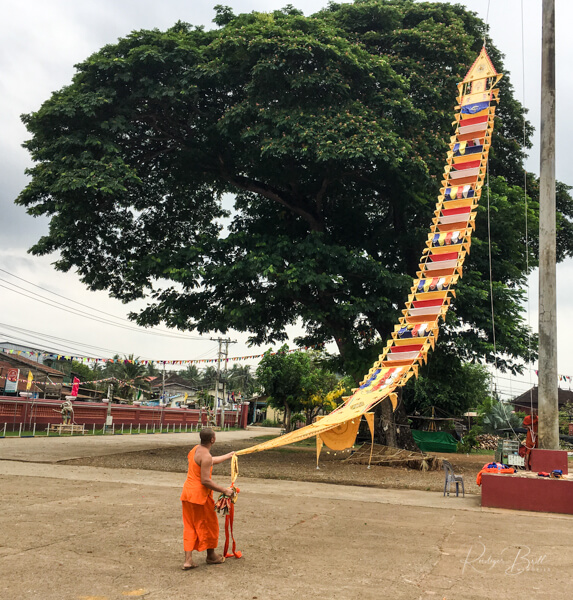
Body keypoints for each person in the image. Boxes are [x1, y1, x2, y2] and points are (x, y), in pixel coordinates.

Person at [180, 427, 235, 570]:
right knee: (209, 526)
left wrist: (228, 456)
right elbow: (205, 481)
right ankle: (211, 556)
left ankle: (188, 560)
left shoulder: (196, 450)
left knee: (190, 526)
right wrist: (225, 490)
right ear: (212, 440)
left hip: (187, 494)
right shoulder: (205, 456)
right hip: (199, 497)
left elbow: (209, 461)